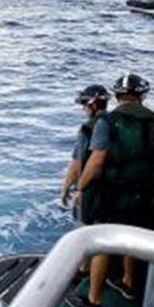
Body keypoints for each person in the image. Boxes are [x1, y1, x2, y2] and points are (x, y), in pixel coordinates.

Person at [67, 72, 154, 307]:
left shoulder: (107, 122)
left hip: (114, 195)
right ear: (142, 96)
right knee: (133, 238)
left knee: (102, 243)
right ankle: (129, 284)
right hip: (146, 194)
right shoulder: (153, 124)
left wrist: (80, 187)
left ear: (116, 95)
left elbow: (97, 160)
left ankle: (93, 302)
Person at [59, 84, 111, 226]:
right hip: (117, 192)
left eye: (84, 104)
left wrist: (67, 190)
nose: (83, 108)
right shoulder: (117, 122)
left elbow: (77, 164)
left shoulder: (88, 129)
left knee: (86, 231)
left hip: (94, 193)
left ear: (92, 105)